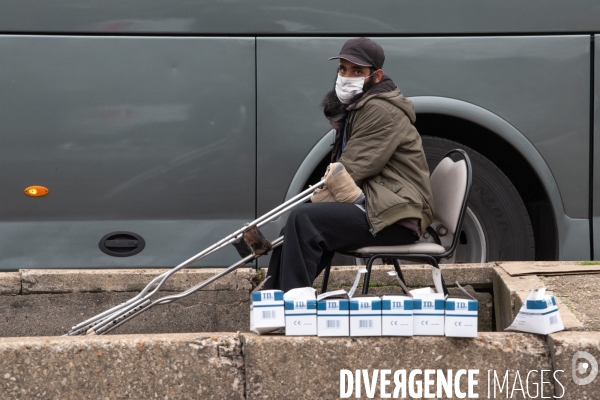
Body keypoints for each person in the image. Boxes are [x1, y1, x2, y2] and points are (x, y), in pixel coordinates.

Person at [263, 37, 434, 292]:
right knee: (299, 219)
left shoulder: (380, 110)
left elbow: (351, 170)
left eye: (357, 71)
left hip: (397, 217)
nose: (346, 76)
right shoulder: (361, 107)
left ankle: (292, 304)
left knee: (304, 219)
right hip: (381, 204)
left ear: (376, 76)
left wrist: (314, 201)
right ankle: (274, 298)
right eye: (343, 69)